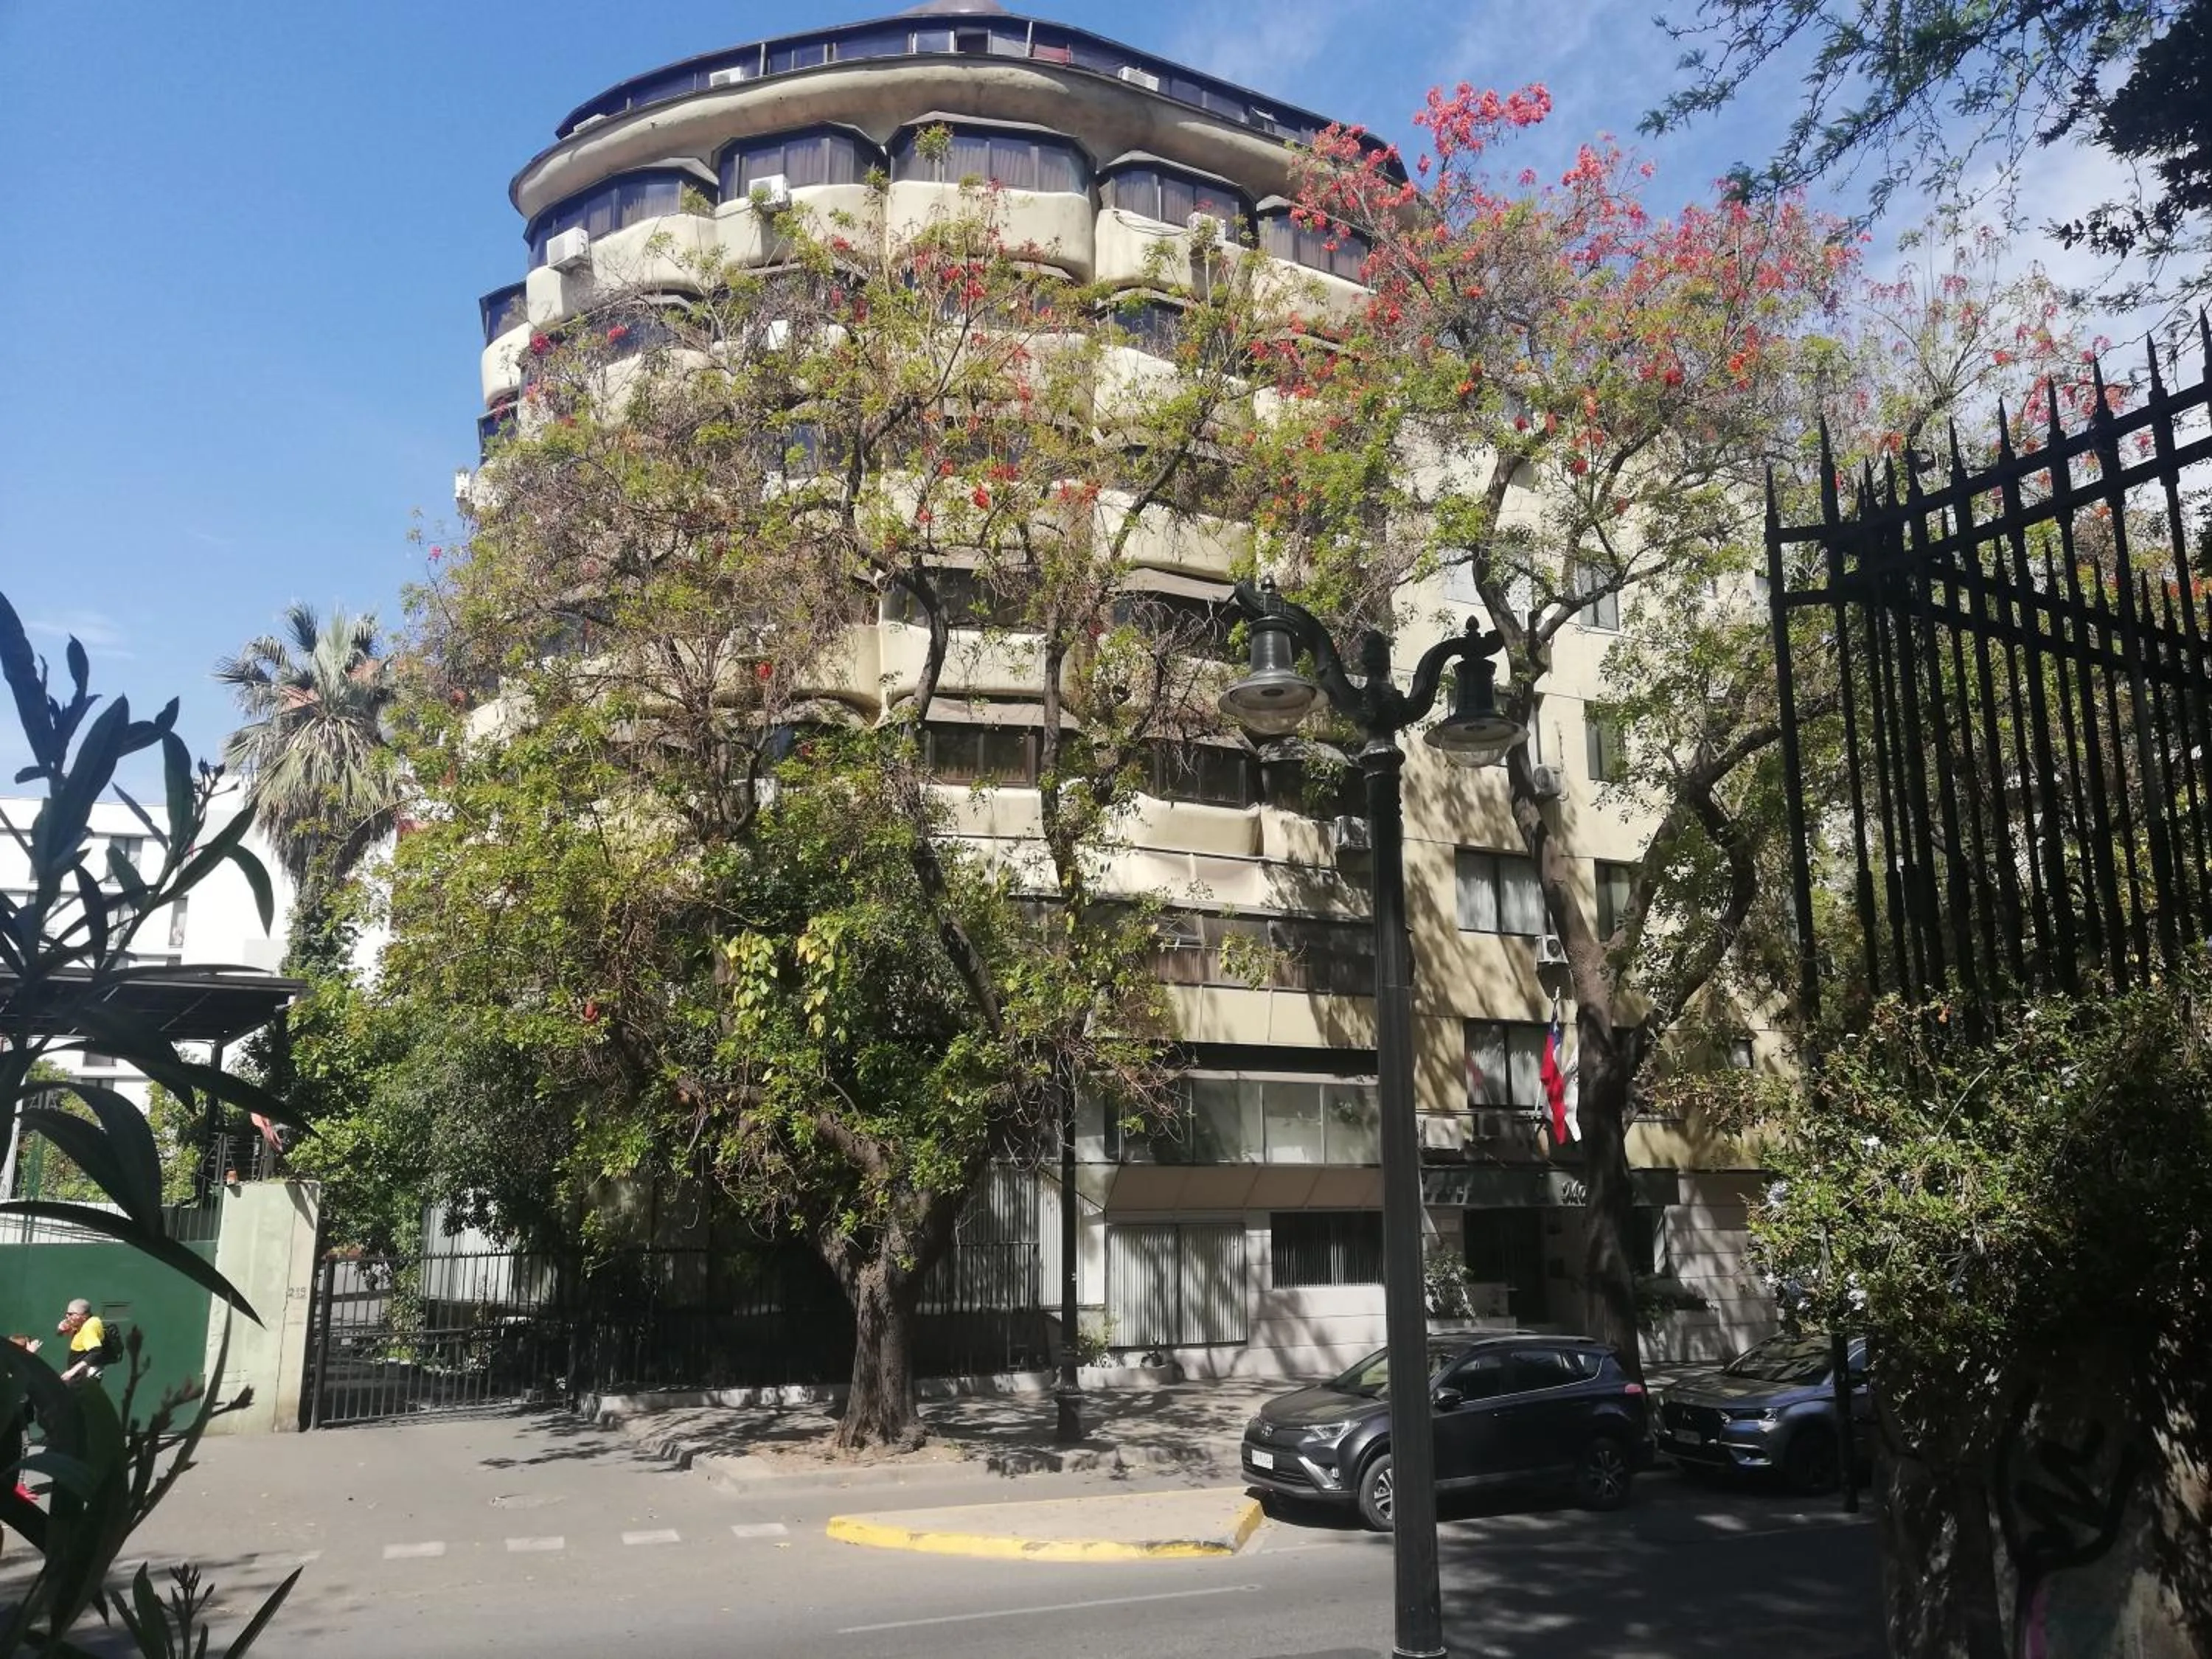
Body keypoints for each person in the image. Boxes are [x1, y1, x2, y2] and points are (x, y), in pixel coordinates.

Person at [56, 1300, 110, 1388]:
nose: (67, 1316)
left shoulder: (89, 1328)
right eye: (67, 1313)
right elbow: (60, 1333)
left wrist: (72, 1372)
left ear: (84, 1316)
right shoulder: (82, 1321)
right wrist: (61, 1330)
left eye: (71, 1314)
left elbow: (96, 1352)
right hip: (78, 1374)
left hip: (84, 1377)